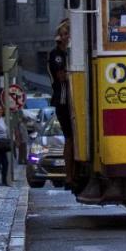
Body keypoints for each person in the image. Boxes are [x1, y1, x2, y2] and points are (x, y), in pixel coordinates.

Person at [47, 20, 74, 184]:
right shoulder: (55, 55)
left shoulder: (72, 52)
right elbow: (61, 76)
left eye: (68, 33)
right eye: (63, 34)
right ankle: (69, 175)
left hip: (73, 100)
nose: (66, 36)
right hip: (63, 101)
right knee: (69, 138)